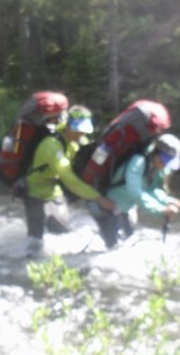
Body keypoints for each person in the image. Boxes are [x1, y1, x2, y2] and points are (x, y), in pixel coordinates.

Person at [22, 104, 115, 256]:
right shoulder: (51, 145)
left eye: (84, 131)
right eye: (78, 130)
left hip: (54, 190)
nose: (81, 134)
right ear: (68, 126)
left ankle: (60, 267)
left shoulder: (79, 139)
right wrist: (98, 198)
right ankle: (27, 267)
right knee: (35, 243)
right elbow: (69, 179)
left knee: (63, 233)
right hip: (34, 191)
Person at [89, 133, 180, 249]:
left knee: (128, 243)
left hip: (122, 208)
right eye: (164, 161)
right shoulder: (138, 162)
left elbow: (151, 189)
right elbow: (135, 192)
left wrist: (166, 200)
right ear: (156, 153)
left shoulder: (154, 166)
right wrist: (161, 210)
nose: (165, 166)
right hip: (105, 206)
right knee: (116, 249)